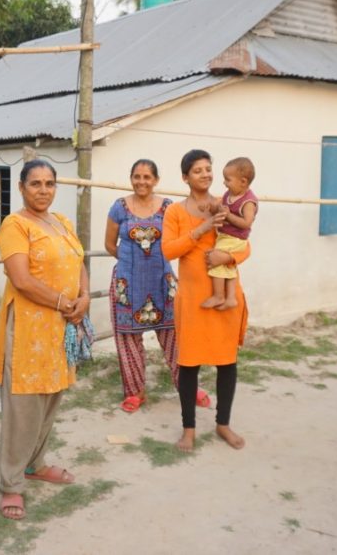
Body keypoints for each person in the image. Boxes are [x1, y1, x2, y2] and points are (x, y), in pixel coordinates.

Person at [0, 159, 89, 521]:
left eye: (49, 184)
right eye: (36, 184)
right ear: (21, 187)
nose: (43, 190)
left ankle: (35, 464)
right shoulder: (14, 225)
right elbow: (22, 279)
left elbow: (78, 260)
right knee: (23, 408)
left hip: (60, 329)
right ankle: (12, 484)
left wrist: (84, 297)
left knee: (51, 397)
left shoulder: (60, 222)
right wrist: (67, 302)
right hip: (29, 330)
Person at [162, 149, 249, 453]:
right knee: (188, 364)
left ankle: (223, 424)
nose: (205, 174)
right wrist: (200, 230)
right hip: (193, 299)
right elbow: (169, 251)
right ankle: (189, 430)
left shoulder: (226, 204)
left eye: (208, 169)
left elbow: (244, 243)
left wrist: (229, 255)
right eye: (197, 170)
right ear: (185, 177)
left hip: (226, 298)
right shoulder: (174, 212)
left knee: (227, 363)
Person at [104, 158, 197, 414]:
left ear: (155, 180)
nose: (141, 182)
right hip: (127, 285)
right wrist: (131, 264)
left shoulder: (169, 208)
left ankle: (187, 386)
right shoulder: (119, 207)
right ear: (131, 178)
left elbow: (179, 242)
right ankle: (135, 392)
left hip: (162, 282)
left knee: (175, 337)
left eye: (147, 177)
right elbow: (110, 244)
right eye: (137, 176)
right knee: (128, 339)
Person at [201, 156, 258, 310]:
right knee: (228, 265)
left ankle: (219, 296)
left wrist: (228, 215)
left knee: (217, 261)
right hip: (227, 236)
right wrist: (214, 208)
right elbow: (221, 209)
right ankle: (231, 298)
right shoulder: (229, 194)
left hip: (235, 238)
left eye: (228, 179)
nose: (225, 183)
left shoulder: (248, 202)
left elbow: (247, 223)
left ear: (243, 182)